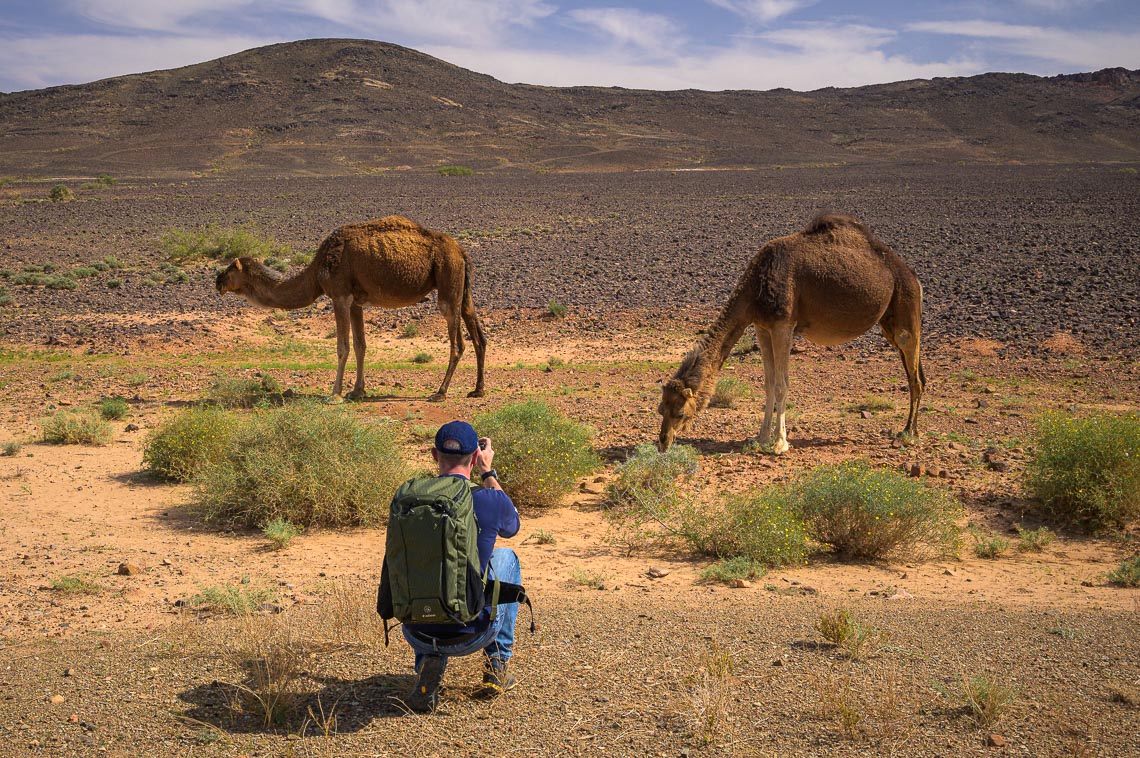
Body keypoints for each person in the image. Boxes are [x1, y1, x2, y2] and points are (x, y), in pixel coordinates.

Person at [403, 420, 521, 712]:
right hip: (471, 633)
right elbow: (513, 525)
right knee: (506, 557)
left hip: (415, 631)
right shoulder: (488, 499)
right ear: (474, 456)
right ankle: (497, 664)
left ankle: (426, 662)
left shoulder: (408, 497)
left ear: (434, 455)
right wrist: (488, 472)